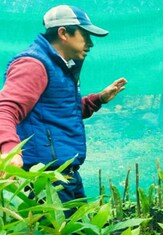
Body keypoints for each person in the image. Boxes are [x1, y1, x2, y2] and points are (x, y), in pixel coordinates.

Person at [0, 5, 127, 207]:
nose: (91, 43)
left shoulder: (61, 66)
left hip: (65, 173)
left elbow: (60, 112)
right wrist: (9, 149)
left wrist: (98, 100)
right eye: (85, 35)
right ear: (63, 33)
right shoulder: (33, 65)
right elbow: (5, 109)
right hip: (46, 178)